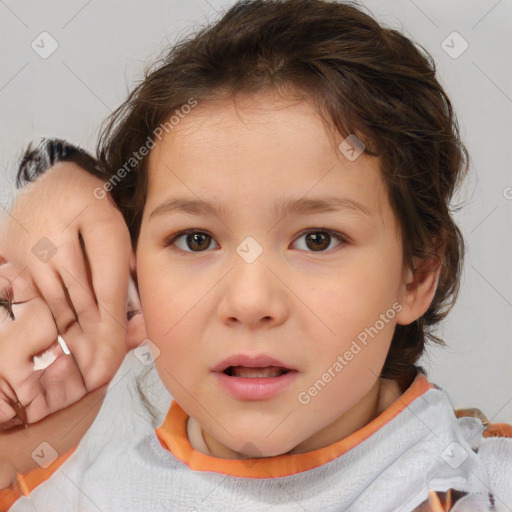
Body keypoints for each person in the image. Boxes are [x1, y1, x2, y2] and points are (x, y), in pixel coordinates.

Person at [1, 0, 511, 510]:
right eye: (195, 240)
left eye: (317, 239)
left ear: (416, 275)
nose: (249, 301)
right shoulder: (57, 482)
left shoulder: (482, 486)